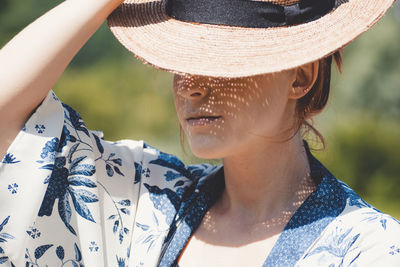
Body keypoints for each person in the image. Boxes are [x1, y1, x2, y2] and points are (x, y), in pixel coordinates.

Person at [0, 0, 399, 266]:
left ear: (301, 77)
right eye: (180, 60)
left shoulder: (366, 250)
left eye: (219, 59)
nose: (190, 85)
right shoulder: (149, 201)